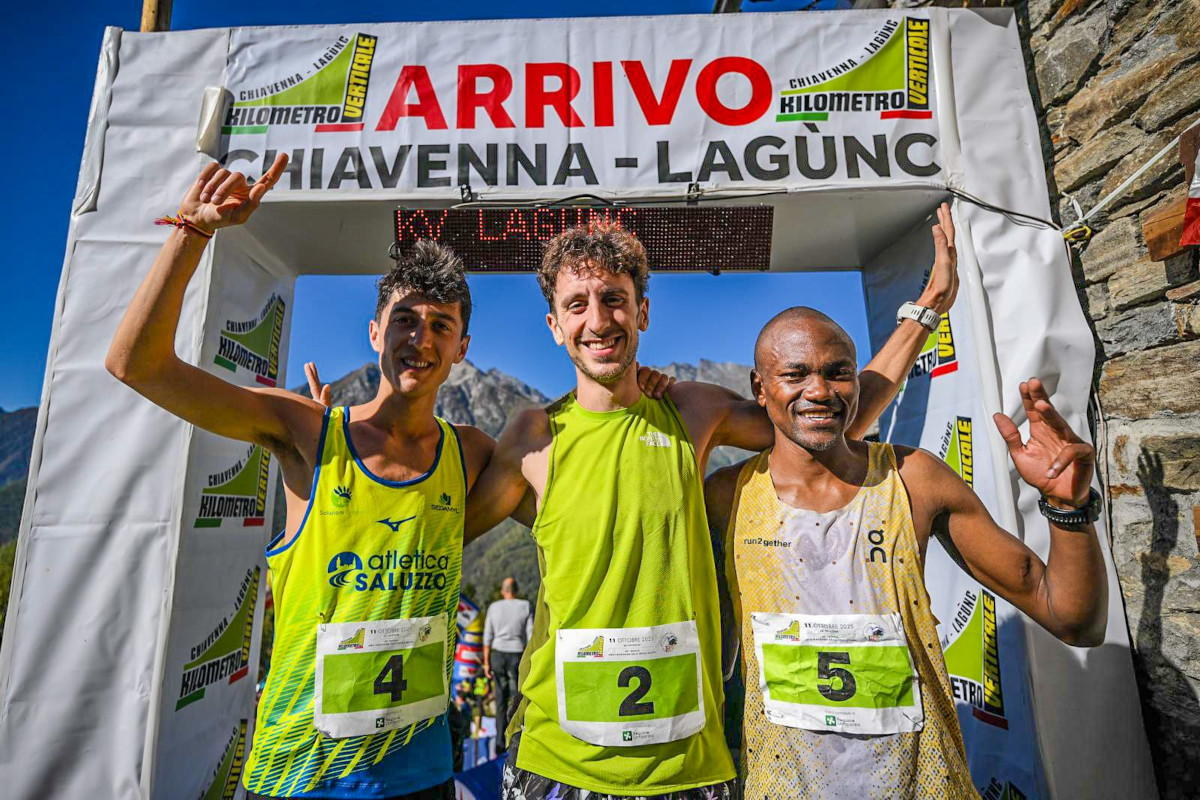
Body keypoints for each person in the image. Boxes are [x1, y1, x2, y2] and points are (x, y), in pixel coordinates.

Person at [464, 205, 960, 800]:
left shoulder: (691, 410)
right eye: (577, 305)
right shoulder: (532, 436)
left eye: (615, 299)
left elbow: (824, 416)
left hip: (689, 764)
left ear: (642, 312)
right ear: (554, 325)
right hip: (558, 759)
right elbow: (442, 532)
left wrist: (926, 309)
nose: (597, 319)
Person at [106, 156, 495, 800]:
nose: (420, 339)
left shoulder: (473, 452)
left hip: (421, 774)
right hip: (302, 775)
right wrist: (192, 231)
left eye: (441, 326)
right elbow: (136, 364)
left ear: (462, 348)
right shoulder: (308, 431)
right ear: (375, 332)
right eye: (405, 319)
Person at [704, 308, 1107, 799]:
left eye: (838, 372)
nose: (820, 391)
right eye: (796, 374)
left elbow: (1073, 620)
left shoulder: (913, 479)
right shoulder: (726, 497)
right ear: (760, 387)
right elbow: (716, 659)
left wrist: (1067, 508)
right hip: (781, 787)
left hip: (925, 785)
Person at [483, 577, 535, 752]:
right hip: (517, 655)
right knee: (516, 700)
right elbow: (530, 636)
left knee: (500, 700)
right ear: (516, 590)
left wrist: (486, 662)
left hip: (498, 655)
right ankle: (516, 740)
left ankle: (499, 743)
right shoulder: (525, 606)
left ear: (502, 591)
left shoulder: (494, 607)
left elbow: (487, 636)